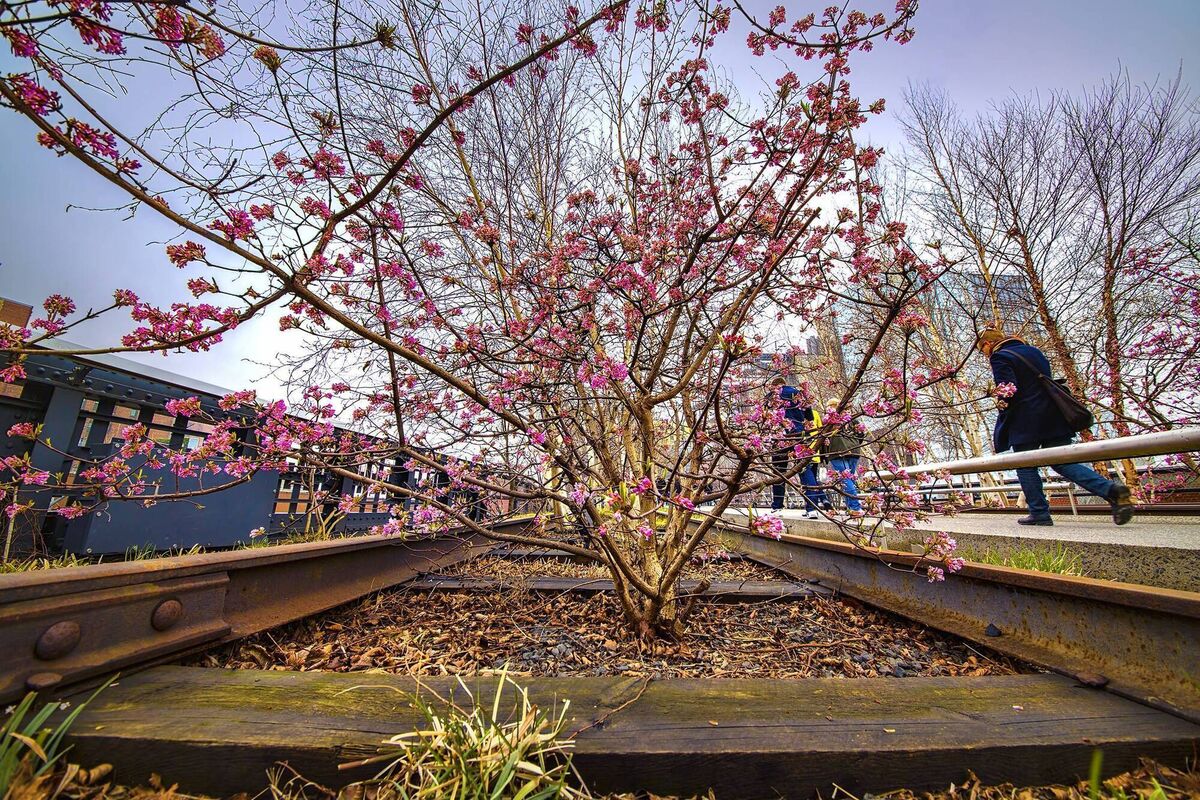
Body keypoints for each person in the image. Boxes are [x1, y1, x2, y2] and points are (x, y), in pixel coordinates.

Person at [976, 329, 1133, 526]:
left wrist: (1001, 409)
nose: (985, 354)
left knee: (1025, 464)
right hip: (1054, 415)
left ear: (988, 344)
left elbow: (1008, 390)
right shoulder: (1034, 351)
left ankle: (1039, 512)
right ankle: (1111, 490)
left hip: (1026, 420)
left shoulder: (1000, 356)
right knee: (1062, 462)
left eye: (982, 350)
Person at [770, 377, 829, 517]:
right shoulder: (799, 394)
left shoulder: (773, 396)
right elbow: (809, 416)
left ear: (775, 386)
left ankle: (777, 506)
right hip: (799, 434)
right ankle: (811, 508)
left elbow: (766, 416)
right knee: (804, 469)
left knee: (779, 471)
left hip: (780, 436)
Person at [824, 405, 864, 514]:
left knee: (846, 480)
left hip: (838, 451)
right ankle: (850, 507)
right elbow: (861, 435)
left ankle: (855, 508)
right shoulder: (852, 419)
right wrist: (853, 443)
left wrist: (825, 454)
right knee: (849, 479)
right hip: (854, 451)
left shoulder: (830, 419)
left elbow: (823, 437)